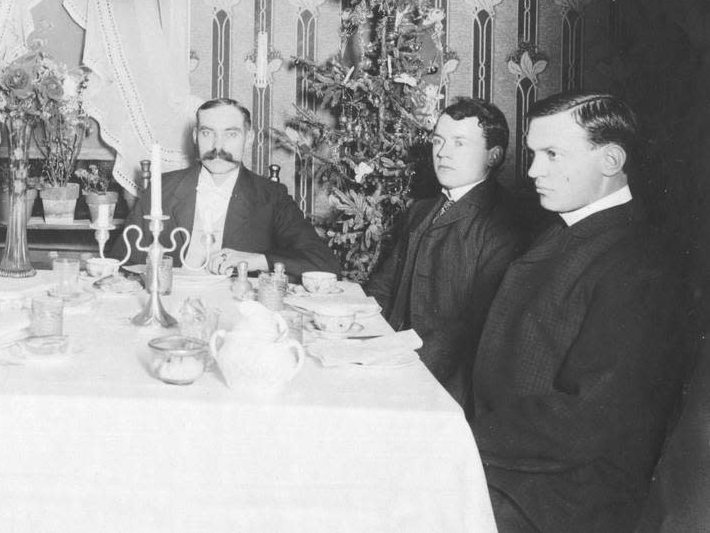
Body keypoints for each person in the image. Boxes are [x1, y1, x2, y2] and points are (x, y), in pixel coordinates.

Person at [471, 92, 687, 533]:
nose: (532, 171)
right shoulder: (566, 227)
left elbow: (588, 421)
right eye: (533, 154)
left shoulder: (639, 263)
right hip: (522, 463)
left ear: (610, 160)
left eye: (552, 154)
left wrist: (458, 437)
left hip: (567, 498)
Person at [366, 97, 523, 410]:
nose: (443, 152)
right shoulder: (421, 210)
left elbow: (471, 326)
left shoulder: (504, 222)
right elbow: (383, 286)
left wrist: (404, 370)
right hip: (394, 361)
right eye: (438, 140)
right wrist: (354, 328)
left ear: (493, 155)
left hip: (446, 384)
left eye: (459, 143)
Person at [113, 98, 338, 279]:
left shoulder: (271, 197)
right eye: (207, 133)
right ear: (195, 136)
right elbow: (121, 263)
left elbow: (323, 263)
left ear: (248, 138)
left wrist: (256, 260)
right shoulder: (163, 188)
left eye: (231, 134)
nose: (217, 146)